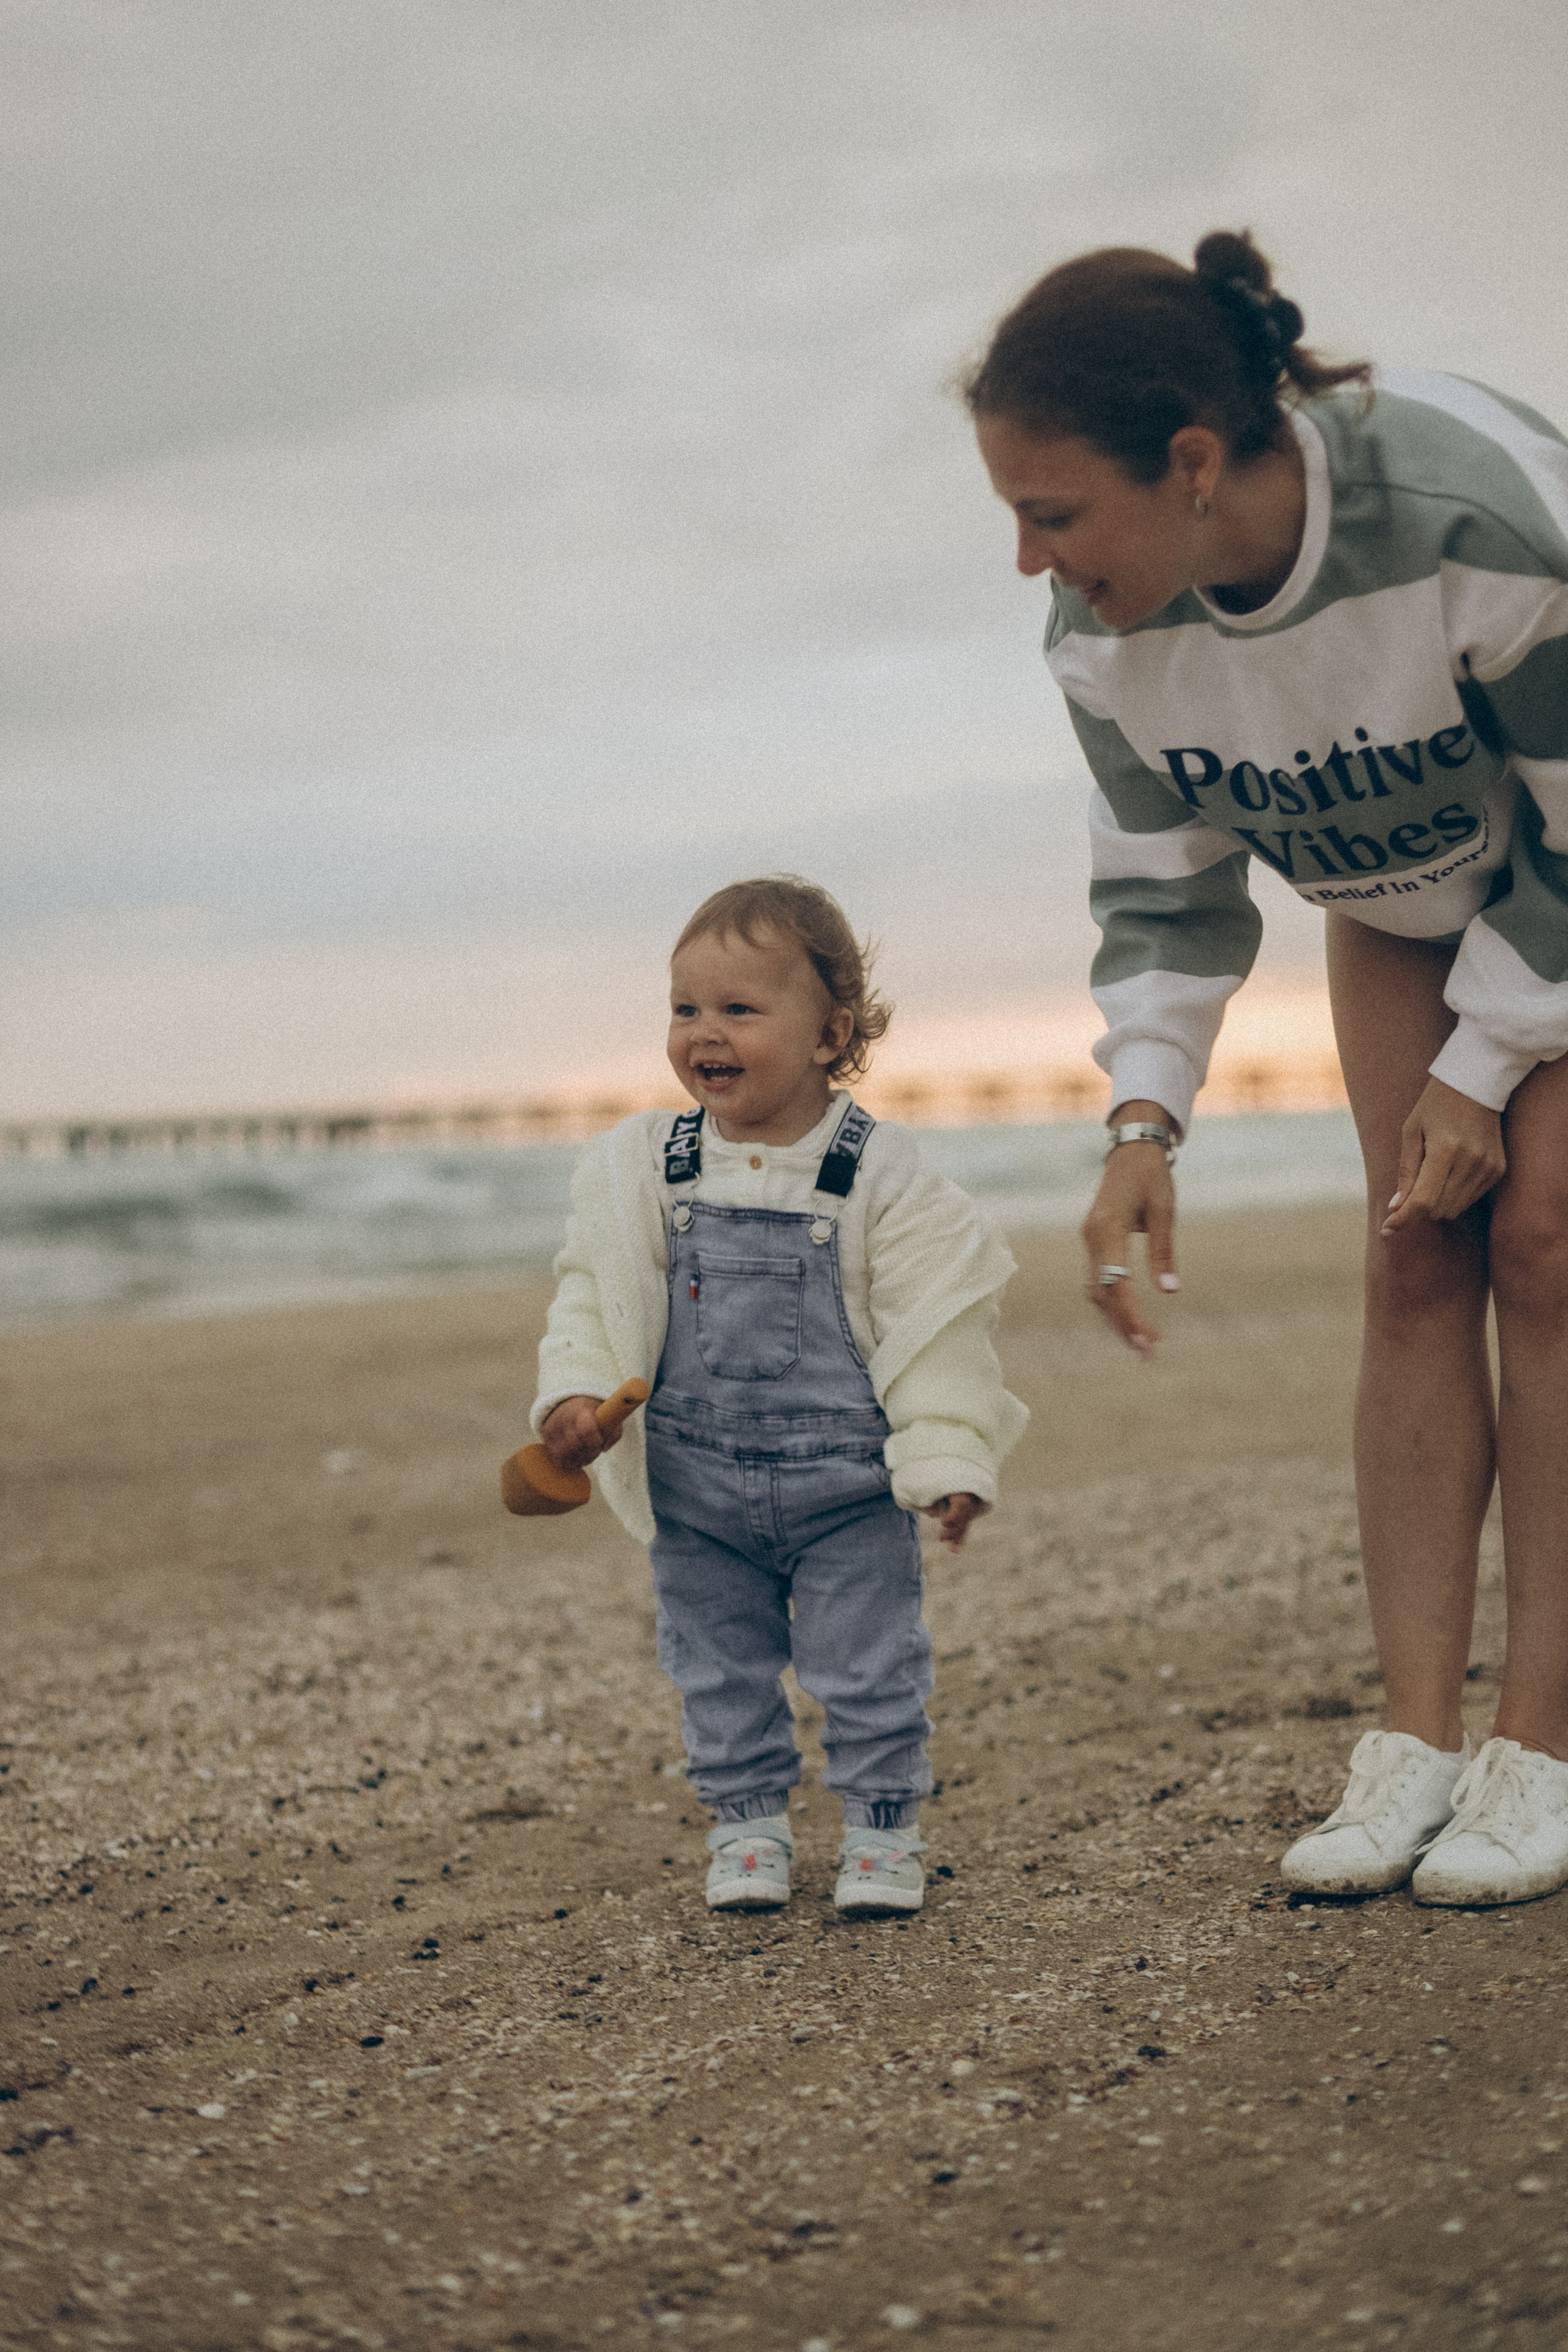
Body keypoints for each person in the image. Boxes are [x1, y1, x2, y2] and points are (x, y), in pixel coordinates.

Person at [966, 230, 1568, 1908]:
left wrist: (1492, 1057)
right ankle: (1415, 1745)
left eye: (1056, 511)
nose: (1027, 559)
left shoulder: (1483, 521)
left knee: (1546, 1245)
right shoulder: (1110, 641)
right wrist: (1143, 1116)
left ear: (1195, 459)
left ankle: (1545, 1751)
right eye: (1011, 513)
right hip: (1403, 900)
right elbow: (1165, 890)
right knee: (1415, 1254)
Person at [529, 876, 1026, 1914]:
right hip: (694, 1487)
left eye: (739, 1010)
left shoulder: (880, 1173)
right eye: (685, 1009)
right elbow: (595, 1292)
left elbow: (936, 1324)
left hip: (846, 1490)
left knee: (869, 1669)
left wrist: (945, 1460)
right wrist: (574, 1394)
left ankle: (884, 1831)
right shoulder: (647, 1171)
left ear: (828, 1032)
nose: (704, 1033)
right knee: (716, 1669)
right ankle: (747, 1827)